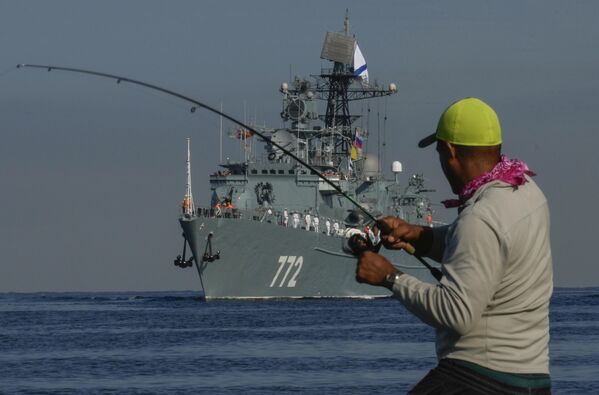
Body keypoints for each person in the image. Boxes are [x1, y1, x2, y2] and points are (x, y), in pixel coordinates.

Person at [356, 98, 553, 394]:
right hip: (532, 379)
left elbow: (456, 313)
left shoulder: (480, 218)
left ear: (449, 151)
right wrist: (420, 236)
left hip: (478, 378)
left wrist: (390, 277)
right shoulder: (526, 190)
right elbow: (486, 246)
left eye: (438, 152)